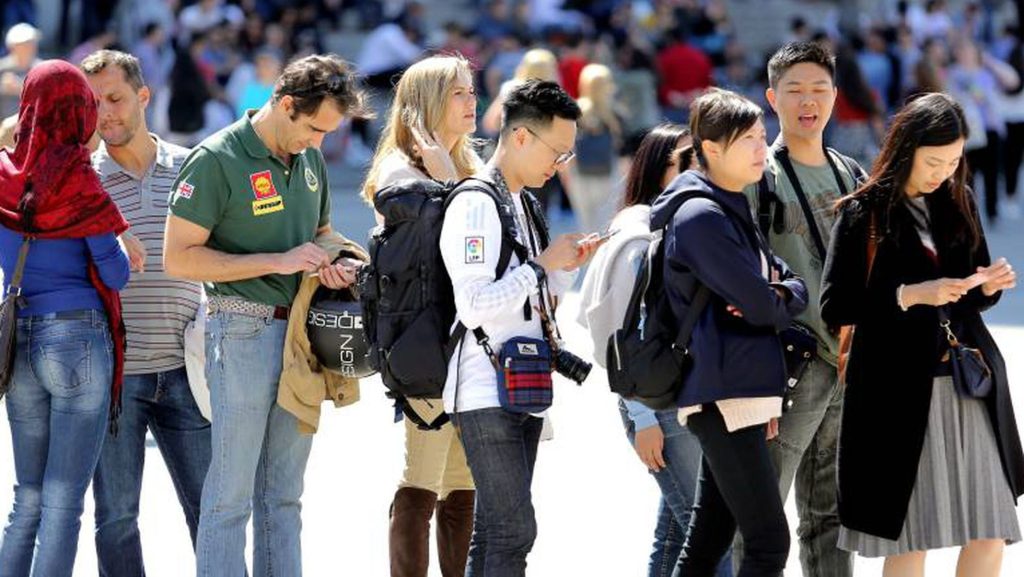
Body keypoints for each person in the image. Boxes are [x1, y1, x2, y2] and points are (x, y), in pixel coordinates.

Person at [163, 54, 370, 577]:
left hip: (300, 335)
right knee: (230, 497)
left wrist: (340, 259)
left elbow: (321, 232)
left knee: (284, 497)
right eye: (315, 127)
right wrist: (277, 261)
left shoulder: (311, 160)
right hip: (241, 328)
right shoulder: (216, 158)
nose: (320, 141)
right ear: (284, 104)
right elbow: (178, 257)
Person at [821, 92, 1024, 577]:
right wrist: (908, 295)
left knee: (990, 527)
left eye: (954, 161)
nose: (944, 172)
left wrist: (986, 285)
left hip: (967, 384)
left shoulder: (959, 200)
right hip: (897, 394)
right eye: (935, 161)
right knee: (912, 537)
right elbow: (836, 305)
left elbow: (969, 295)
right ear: (906, 148)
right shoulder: (863, 212)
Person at [440, 79, 601, 577]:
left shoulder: (524, 201)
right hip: (484, 387)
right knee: (515, 531)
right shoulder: (475, 204)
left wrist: (561, 266)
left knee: (493, 532)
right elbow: (472, 306)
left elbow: (529, 296)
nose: (560, 166)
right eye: (558, 152)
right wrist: (539, 266)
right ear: (522, 137)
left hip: (521, 382)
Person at [650, 88, 808, 577]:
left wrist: (781, 294)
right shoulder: (701, 215)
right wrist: (776, 296)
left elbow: (785, 284)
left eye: (763, 136)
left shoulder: (728, 204)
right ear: (711, 148)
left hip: (737, 387)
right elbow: (763, 302)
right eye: (749, 140)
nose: (763, 148)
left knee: (709, 536)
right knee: (766, 541)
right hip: (723, 391)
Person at [577, 123, 733, 577]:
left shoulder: (671, 226)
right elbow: (613, 333)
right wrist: (641, 417)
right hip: (654, 404)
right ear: (657, 170)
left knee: (674, 536)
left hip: (681, 398)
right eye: (685, 161)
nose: (697, 170)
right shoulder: (636, 235)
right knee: (710, 535)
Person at [80, 49, 210, 577]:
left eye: (114, 99)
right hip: (115, 379)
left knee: (212, 512)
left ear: (143, 96)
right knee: (114, 518)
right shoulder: (83, 183)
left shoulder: (193, 166)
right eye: (93, 105)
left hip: (189, 369)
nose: (105, 114)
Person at [737, 41, 865, 577]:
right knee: (763, 519)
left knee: (832, 518)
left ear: (836, 96)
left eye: (819, 89)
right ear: (772, 98)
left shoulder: (850, 172)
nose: (807, 101)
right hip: (790, 368)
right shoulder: (758, 177)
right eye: (794, 90)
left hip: (849, 367)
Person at [0, 60, 131, 577]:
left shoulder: (4, 178)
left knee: (26, 496)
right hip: (77, 338)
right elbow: (116, 275)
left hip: (19, 338)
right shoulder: (80, 183)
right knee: (62, 501)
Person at [360, 54, 482, 577]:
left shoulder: (463, 166)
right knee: (423, 477)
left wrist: (454, 177)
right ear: (429, 102)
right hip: (424, 347)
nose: (471, 101)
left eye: (473, 91)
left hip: (468, 346)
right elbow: (436, 245)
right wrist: (450, 181)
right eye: (459, 93)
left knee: (464, 481)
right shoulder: (399, 176)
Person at [567, 63, 624, 234]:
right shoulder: (615, 113)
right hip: (609, 172)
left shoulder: (573, 111)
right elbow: (622, 150)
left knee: (585, 223)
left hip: (579, 172)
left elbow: (567, 146)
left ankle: (587, 258)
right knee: (605, 224)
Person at [0, 23, 41, 119]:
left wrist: (21, 88)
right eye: (24, 44)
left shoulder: (43, 69)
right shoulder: (2, 67)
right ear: (12, 47)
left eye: (32, 42)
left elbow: (48, 98)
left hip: (33, 126)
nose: (29, 47)